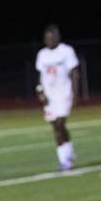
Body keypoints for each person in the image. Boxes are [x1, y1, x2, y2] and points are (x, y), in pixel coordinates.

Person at [34, 24, 80, 171]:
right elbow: (40, 76)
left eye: (51, 38)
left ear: (57, 37)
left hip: (63, 94)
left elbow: (74, 72)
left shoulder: (66, 51)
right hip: (49, 97)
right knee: (56, 128)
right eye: (46, 38)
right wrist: (40, 91)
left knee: (60, 124)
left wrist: (75, 93)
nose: (49, 40)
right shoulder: (42, 54)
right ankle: (65, 156)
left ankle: (66, 161)